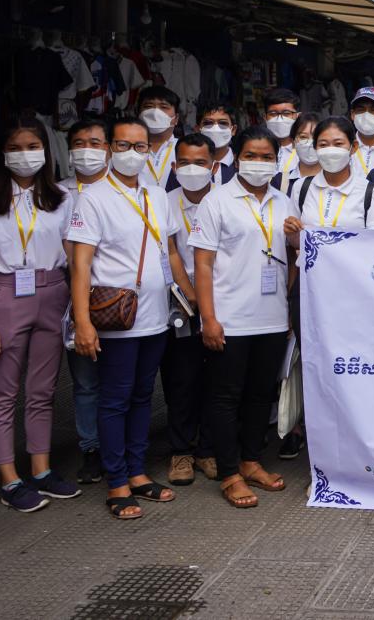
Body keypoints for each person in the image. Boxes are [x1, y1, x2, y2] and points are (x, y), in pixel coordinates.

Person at [68, 117, 196, 520]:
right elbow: (80, 265)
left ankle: (138, 473)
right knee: (114, 400)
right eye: (123, 145)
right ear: (110, 150)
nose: (132, 154)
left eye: (141, 147)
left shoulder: (158, 195)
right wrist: (84, 322)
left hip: (156, 317)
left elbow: (172, 252)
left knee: (143, 396)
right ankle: (117, 481)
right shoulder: (92, 198)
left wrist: (190, 299)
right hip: (116, 319)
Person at [188, 126, 295, 509]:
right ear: (237, 156)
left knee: (259, 395)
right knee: (224, 396)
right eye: (252, 154)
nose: (259, 162)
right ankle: (230, 472)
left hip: (271, 318)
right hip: (230, 318)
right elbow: (202, 264)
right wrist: (208, 318)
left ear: (276, 160)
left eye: (267, 156)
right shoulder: (217, 202)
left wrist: (297, 241)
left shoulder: (284, 202)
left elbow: (294, 257)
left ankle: (251, 461)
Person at [0, 116, 78, 512]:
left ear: (46, 151)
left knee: (43, 391)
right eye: (17, 148)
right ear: (3, 154)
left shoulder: (61, 197)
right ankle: (8, 478)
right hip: (6, 293)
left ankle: (40, 469)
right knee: (2, 392)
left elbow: (75, 256)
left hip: (53, 290)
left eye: (33, 147)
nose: (25, 155)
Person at [162, 133, 220, 487]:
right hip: (180, 303)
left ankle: (208, 450)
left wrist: (209, 299)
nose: (192, 169)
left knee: (216, 379)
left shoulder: (227, 200)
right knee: (180, 379)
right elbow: (170, 254)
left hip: (221, 301)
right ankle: (181, 451)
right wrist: (192, 295)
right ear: (174, 166)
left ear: (213, 166)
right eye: (185, 163)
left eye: (200, 163)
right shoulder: (163, 202)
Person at [60, 119, 110, 482]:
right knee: (86, 380)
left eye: (94, 142)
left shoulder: (125, 190)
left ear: (109, 148)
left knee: (123, 379)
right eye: (79, 143)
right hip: (73, 297)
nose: (87, 149)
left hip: (121, 299)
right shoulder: (57, 194)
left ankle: (120, 446)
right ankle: (91, 447)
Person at [285, 116, 374, 235]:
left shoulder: (370, 191)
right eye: (323, 145)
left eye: (338, 144)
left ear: (353, 147)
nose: (330, 151)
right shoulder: (301, 187)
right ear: (315, 147)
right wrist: (291, 233)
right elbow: (297, 242)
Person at [137, 85, 181, 188]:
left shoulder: (186, 148)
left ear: (176, 119)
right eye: (148, 106)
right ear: (138, 113)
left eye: (164, 107)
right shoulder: (125, 148)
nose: (155, 112)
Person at [262, 88, 301, 178]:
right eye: (273, 113)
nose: (280, 119)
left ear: (298, 116)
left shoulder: (305, 150)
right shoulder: (257, 149)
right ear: (265, 117)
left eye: (286, 113)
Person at [281, 112, 322, 194]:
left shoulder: (335, 179)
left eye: (316, 137)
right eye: (303, 137)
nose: (310, 142)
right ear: (293, 142)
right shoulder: (280, 181)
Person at [196, 102, 237, 168]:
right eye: (208, 123)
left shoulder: (241, 166)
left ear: (233, 130)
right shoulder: (187, 166)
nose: (216, 128)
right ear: (197, 129)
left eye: (223, 123)